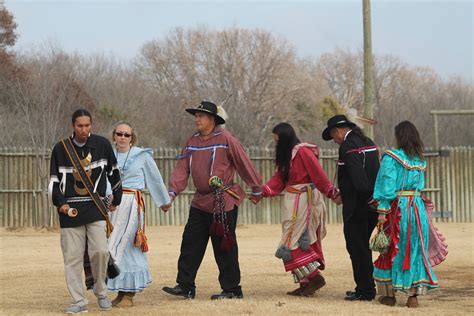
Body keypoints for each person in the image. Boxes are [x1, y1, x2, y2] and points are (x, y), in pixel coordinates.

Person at [161, 101, 263, 300]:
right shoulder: (191, 141)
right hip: (199, 202)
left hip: (222, 200)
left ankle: (232, 290)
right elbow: (182, 168)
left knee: (224, 246)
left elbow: (244, 163)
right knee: (190, 243)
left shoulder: (226, 139)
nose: (197, 119)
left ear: (213, 120)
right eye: (196, 116)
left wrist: (257, 188)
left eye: (201, 116)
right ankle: (185, 286)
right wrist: (172, 193)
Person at [252, 123, 340, 297]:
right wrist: (263, 192)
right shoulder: (288, 155)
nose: (276, 143)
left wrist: (331, 192)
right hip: (293, 201)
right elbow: (279, 179)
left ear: (284, 138)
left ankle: (314, 277)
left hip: (304, 201)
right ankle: (305, 284)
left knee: (294, 240)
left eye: (277, 140)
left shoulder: (303, 152)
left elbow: (318, 174)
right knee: (294, 239)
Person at [49, 109, 122, 314]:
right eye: (80, 126)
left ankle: (101, 291)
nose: (84, 129)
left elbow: (113, 172)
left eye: (87, 125)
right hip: (70, 210)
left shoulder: (102, 145)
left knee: (100, 251)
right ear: (73, 125)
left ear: (92, 124)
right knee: (72, 257)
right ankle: (78, 301)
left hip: (95, 207)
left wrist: (116, 198)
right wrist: (60, 203)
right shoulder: (60, 149)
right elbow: (54, 182)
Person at [372, 121, 446, 308]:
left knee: (392, 248)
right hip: (416, 209)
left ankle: (390, 296)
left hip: (398, 210)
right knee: (414, 250)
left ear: (399, 136)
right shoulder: (419, 160)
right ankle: (413, 296)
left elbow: (387, 185)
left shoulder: (391, 158)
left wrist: (382, 210)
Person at [106, 121, 171, 307]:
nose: (123, 137)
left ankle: (129, 294)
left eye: (127, 135)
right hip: (112, 206)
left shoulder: (141, 156)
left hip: (132, 203)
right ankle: (120, 291)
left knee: (127, 245)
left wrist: (164, 201)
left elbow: (154, 179)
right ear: (114, 136)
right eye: (119, 134)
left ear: (132, 137)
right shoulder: (108, 154)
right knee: (112, 244)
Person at [322, 114, 379, 301]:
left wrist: (365, 197)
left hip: (358, 205)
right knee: (362, 246)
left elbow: (358, 177)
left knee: (357, 246)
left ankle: (365, 290)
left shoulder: (348, 146)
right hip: (371, 203)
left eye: (333, 136)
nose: (334, 141)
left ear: (338, 131)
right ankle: (366, 286)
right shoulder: (367, 141)